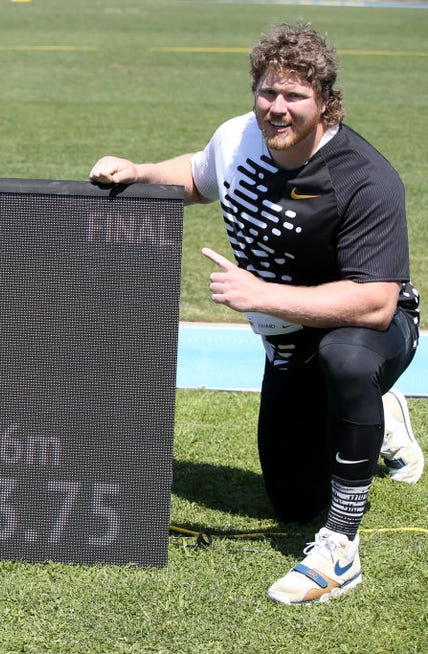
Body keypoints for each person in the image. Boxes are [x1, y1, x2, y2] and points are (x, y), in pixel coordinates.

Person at [90, 22, 422, 605]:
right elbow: (198, 175)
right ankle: (378, 415)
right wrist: (139, 171)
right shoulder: (237, 137)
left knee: (347, 359)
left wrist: (260, 294)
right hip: (289, 347)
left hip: (370, 328)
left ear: (324, 102)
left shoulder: (363, 178)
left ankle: (341, 550)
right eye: (268, 91)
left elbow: (374, 303)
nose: (277, 107)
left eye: (294, 96)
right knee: (293, 502)